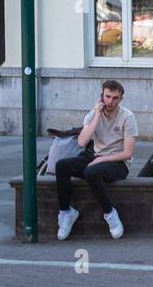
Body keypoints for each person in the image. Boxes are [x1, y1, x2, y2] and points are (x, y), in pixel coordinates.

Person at [55, 80, 138, 240]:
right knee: (62, 166)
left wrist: (102, 160)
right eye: (107, 96)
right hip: (95, 156)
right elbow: (81, 142)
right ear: (102, 95)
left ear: (121, 99)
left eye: (115, 98)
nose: (110, 101)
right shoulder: (93, 115)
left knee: (91, 171)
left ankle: (110, 214)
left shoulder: (128, 117)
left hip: (118, 162)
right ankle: (66, 213)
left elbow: (128, 153)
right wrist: (97, 115)